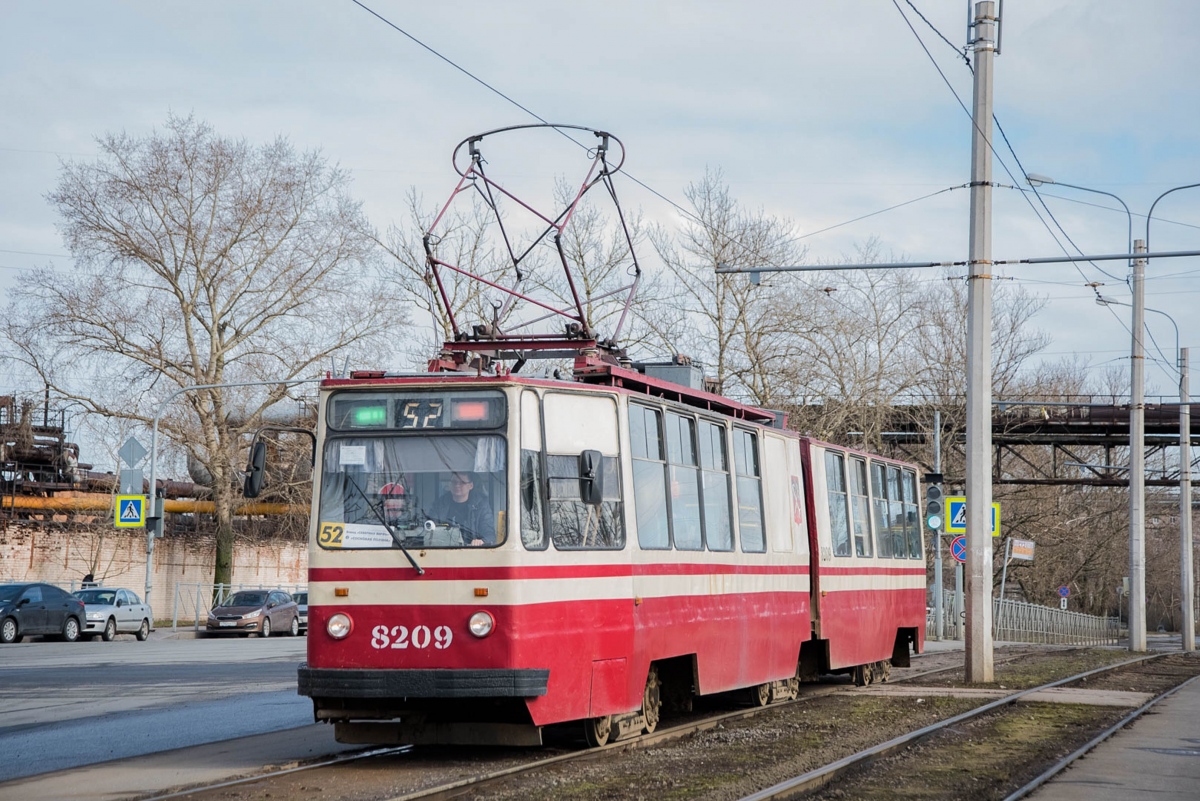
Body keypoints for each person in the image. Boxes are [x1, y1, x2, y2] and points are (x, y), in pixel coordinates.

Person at [428, 472, 495, 546]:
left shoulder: (481, 506)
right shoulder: (439, 505)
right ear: (449, 484)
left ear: (471, 486)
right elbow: (430, 528)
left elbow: (489, 534)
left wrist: (481, 541)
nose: (457, 485)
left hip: (472, 551)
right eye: (454, 482)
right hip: (445, 550)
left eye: (462, 482)